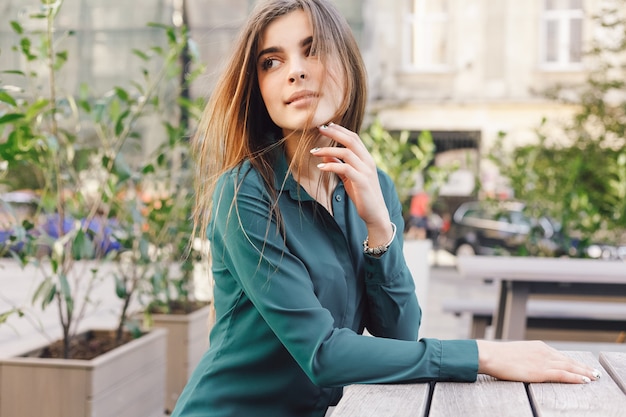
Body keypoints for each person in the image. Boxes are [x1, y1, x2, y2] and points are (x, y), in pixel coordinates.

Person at [172, 1, 600, 416]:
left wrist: (379, 226)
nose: (295, 70)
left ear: (348, 63)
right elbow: (322, 354)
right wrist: (484, 355)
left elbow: (398, 336)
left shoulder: (374, 189)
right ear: (258, 87)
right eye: (271, 62)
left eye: (312, 49)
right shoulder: (246, 193)